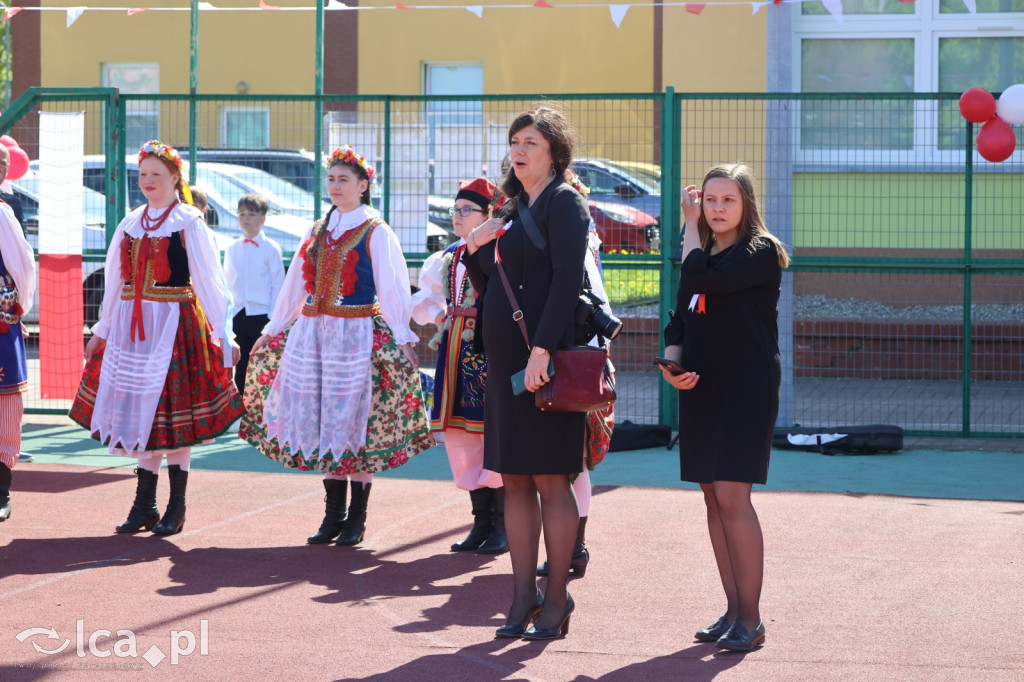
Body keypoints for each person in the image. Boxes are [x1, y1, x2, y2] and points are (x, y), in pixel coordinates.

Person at [243, 145, 433, 547]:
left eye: (344, 179)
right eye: (331, 179)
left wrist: (402, 335)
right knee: (324, 418)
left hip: (358, 334)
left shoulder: (375, 230)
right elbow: (297, 279)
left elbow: (393, 285)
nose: (335, 186)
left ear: (363, 185)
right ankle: (332, 515)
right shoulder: (318, 229)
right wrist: (277, 326)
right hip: (315, 335)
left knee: (354, 421)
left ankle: (356, 518)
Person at [69, 140, 244, 536]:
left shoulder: (188, 221)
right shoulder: (130, 223)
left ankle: (176, 506)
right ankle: (144, 503)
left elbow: (210, 282)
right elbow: (114, 282)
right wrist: (102, 330)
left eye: (156, 175)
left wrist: (223, 332)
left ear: (175, 178)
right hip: (132, 334)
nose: (148, 181)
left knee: (169, 418)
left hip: (174, 328)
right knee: (140, 416)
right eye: (144, 174)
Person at [463, 107, 590, 640]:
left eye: (531, 142)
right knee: (513, 481)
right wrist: (476, 246)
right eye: (515, 141)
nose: (519, 150)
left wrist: (541, 348)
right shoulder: (513, 208)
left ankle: (557, 599)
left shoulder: (566, 204)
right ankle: (521, 597)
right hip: (505, 367)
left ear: (554, 153)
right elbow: (491, 281)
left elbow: (565, 284)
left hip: (544, 362)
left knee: (550, 480)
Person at [661, 163, 788, 652]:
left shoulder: (759, 252)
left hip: (746, 388)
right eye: (709, 200)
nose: (716, 209)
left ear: (746, 205)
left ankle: (751, 619)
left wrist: (689, 227)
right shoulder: (703, 251)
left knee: (734, 499)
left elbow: (699, 278)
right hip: (702, 389)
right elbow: (680, 319)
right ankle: (733, 610)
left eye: (727, 200)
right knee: (713, 498)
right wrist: (671, 365)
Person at [411, 177, 507, 556]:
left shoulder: (500, 249)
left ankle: (501, 523)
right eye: (455, 209)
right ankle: (480, 521)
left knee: (492, 431)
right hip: (454, 347)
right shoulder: (448, 255)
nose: (457, 215)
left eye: (467, 210)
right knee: (460, 434)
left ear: (489, 216)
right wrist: (443, 317)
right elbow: (425, 300)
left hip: (489, 347)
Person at [223, 192, 285, 395]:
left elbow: (278, 285)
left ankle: (262, 408)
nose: (246, 219)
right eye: (241, 214)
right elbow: (228, 282)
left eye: (251, 214)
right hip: (239, 314)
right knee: (240, 362)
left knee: (262, 361)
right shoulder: (232, 248)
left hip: (262, 316)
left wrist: (272, 317)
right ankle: (241, 406)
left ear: (262, 218)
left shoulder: (271, 248)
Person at [0, 179, 36, 522]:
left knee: (6, 401)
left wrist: (17, 309)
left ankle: (1, 487)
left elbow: (23, 267)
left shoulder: (2, 215)